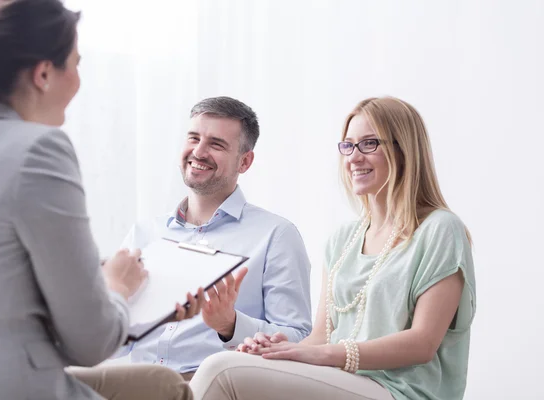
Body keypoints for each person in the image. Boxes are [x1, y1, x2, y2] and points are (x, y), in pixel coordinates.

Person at [0, 1, 202, 399]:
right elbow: (92, 342)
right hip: (8, 386)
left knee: (163, 386)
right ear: (44, 73)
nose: (80, 80)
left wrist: (94, 283)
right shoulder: (37, 150)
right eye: (76, 64)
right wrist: (116, 286)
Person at [189, 96, 477, 400]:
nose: (354, 157)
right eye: (348, 145)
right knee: (237, 362)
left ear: (404, 150)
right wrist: (277, 351)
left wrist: (329, 354)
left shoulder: (440, 230)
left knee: (220, 370)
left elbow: (423, 343)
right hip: (339, 381)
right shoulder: (343, 239)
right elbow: (321, 337)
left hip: (403, 393)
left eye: (369, 144)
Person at [69, 96, 313, 390]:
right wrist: (108, 300)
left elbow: (298, 337)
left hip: (213, 385)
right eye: (194, 138)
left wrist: (231, 325)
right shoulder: (147, 233)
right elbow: (114, 345)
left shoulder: (276, 235)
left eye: (216, 144)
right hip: (139, 383)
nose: (199, 151)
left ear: (244, 161)